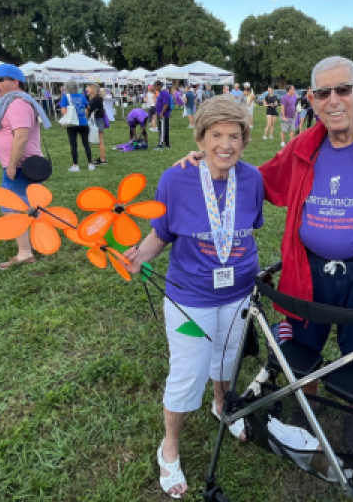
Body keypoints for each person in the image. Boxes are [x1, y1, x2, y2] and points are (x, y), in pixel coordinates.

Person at [175, 56, 353, 424]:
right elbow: (259, 180)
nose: (333, 99)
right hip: (307, 270)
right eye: (323, 92)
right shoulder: (302, 148)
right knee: (300, 349)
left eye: (343, 89)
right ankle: (308, 416)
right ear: (313, 101)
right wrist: (211, 159)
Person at [124, 96, 263, 499]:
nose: (225, 144)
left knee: (226, 356)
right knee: (187, 371)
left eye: (234, 136)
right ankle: (169, 448)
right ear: (200, 138)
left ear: (244, 140)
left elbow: (248, 226)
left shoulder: (252, 179)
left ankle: (222, 405)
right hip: (190, 299)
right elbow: (161, 234)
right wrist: (139, 256)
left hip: (239, 292)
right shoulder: (176, 179)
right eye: (215, 135)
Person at [0, 63, 52, 268]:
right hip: (19, 165)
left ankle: (25, 252)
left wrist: (13, 165)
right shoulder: (10, 102)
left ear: (14, 82)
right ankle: (40, 243)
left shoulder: (17, 104)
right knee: (31, 207)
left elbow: (21, 137)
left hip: (20, 166)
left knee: (13, 210)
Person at [60, 80, 94, 172]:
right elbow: (88, 108)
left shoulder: (65, 97)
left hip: (72, 124)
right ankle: (90, 164)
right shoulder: (82, 96)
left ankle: (75, 165)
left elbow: (64, 111)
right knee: (86, 143)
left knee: (73, 145)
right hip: (83, 122)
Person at [86, 83, 108, 166]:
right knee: (99, 140)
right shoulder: (93, 98)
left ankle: (102, 159)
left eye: (88, 88)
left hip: (98, 120)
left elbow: (89, 109)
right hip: (96, 120)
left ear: (93, 89)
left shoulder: (97, 99)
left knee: (100, 140)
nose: (87, 89)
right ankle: (102, 158)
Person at [154, 80, 171, 150]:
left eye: (155, 86)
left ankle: (160, 144)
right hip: (161, 113)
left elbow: (166, 104)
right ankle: (167, 144)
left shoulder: (164, 93)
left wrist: (162, 113)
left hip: (163, 114)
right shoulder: (161, 92)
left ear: (160, 86)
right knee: (165, 129)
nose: (155, 88)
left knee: (162, 129)